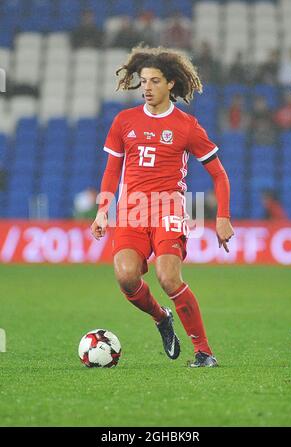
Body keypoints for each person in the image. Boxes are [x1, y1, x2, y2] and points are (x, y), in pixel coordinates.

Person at [91, 46, 234, 368]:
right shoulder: (124, 121)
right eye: (143, 81)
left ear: (170, 84)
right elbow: (112, 169)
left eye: (155, 81)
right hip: (132, 210)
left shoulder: (187, 126)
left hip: (168, 208)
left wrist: (222, 218)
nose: (147, 87)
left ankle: (204, 351)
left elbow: (219, 174)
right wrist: (103, 210)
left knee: (168, 277)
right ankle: (161, 318)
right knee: (126, 276)